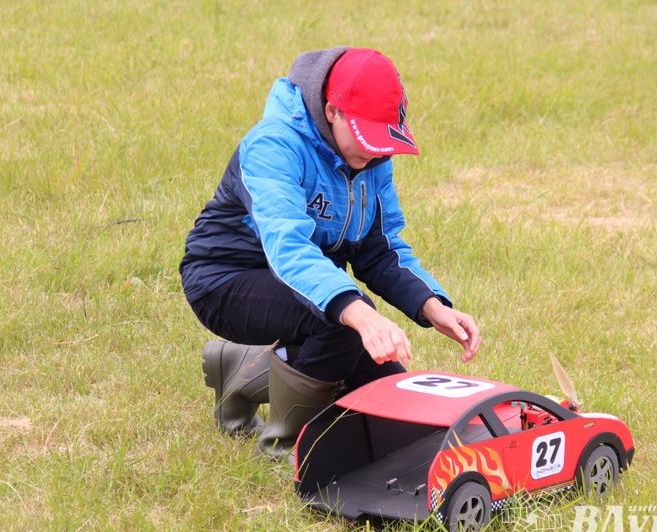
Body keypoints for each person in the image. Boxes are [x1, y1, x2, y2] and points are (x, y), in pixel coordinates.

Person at [180, 47, 481, 461]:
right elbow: (289, 248)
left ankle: (240, 371)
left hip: (307, 286)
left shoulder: (373, 158)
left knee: (391, 404)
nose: (374, 154)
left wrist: (433, 306)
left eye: (381, 142)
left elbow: (381, 250)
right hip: (224, 280)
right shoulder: (274, 145)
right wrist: (359, 313)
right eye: (364, 138)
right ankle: (282, 445)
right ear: (331, 111)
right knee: (344, 326)